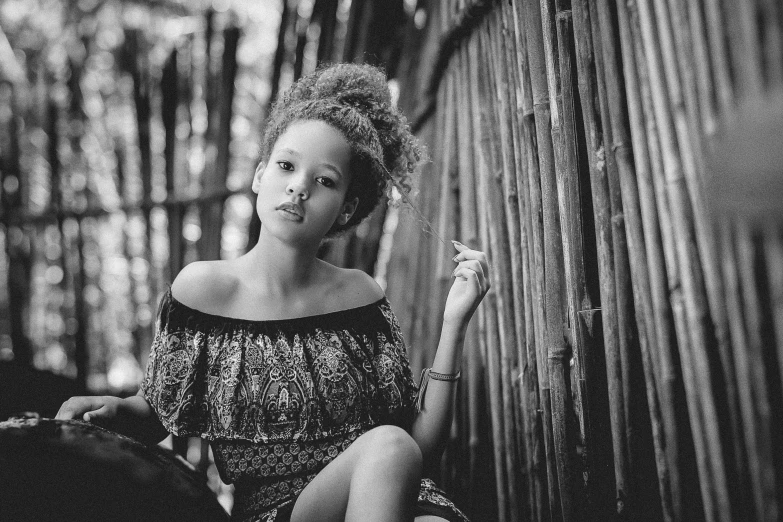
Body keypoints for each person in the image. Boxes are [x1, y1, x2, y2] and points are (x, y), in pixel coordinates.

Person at [56, 63, 490, 522]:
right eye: (286, 166)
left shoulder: (361, 297)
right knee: (389, 444)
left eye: (324, 181)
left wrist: (454, 323)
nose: (298, 187)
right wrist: (113, 409)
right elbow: (161, 414)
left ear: (347, 211)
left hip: (392, 493)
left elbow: (421, 446)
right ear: (261, 175)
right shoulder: (203, 290)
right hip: (281, 511)